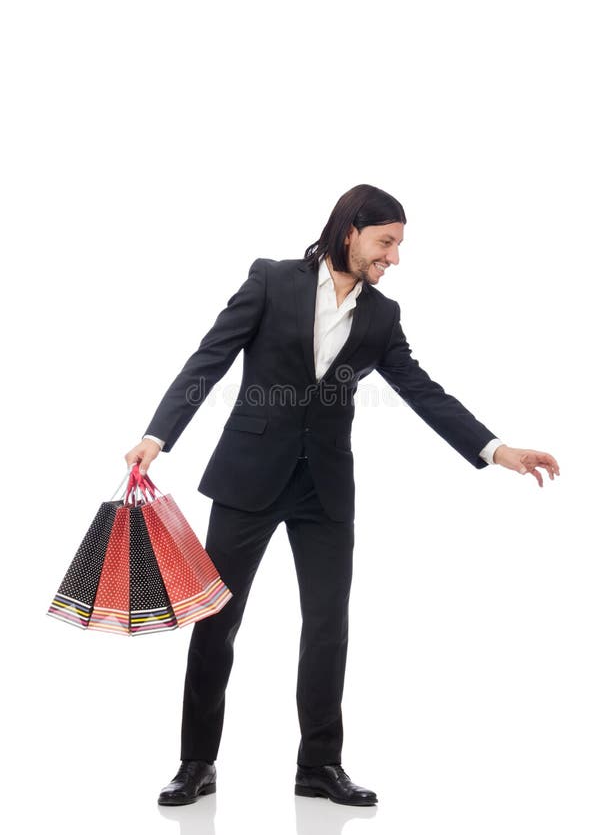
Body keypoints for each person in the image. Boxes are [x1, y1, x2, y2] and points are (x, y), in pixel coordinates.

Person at [125, 184, 559, 807]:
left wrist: (497, 450)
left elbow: (423, 391)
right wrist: (156, 435)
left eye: (399, 245)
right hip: (249, 477)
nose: (395, 257)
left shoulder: (382, 316)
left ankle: (320, 766)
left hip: (325, 486)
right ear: (350, 231)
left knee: (328, 627)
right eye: (386, 242)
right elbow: (210, 358)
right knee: (216, 622)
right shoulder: (272, 281)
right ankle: (197, 763)